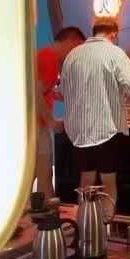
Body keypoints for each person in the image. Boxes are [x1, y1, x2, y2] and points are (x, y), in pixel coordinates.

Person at [61, 18, 130, 203]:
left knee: (86, 178)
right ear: (114, 34)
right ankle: (106, 220)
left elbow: (64, 88)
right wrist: (129, 92)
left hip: (79, 128)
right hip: (107, 127)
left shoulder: (73, 54)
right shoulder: (114, 52)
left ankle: (85, 218)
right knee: (108, 181)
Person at [35, 26, 85, 200]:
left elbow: (40, 88)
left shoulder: (44, 55)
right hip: (38, 127)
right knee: (45, 175)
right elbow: (35, 93)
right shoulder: (49, 58)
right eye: (78, 48)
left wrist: (56, 95)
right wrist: (51, 121)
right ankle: (48, 213)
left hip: (33, 126)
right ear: (71, 42)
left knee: (39, 174)